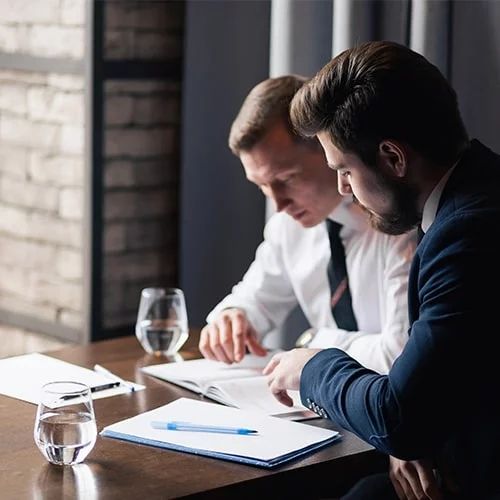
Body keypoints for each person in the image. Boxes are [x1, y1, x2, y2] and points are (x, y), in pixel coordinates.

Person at [263, 40, 500, 499]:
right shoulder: (474, 195)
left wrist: (312, 365)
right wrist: (409, 427)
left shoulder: (467, 234)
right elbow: (432, 390)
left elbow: (402, 418)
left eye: (345, 171)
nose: (343, 189)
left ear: (393, 158)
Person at [199, 75, 416, 376]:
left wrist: (315, 341)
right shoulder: (287, 228)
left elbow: (399, 358)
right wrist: (231, 317)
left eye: (286, 179)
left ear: (328, 149)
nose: (278, 204)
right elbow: (255, 299)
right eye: (262, 185)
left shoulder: (397, 222)